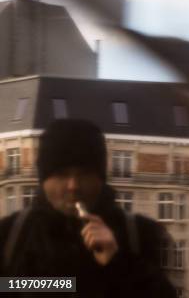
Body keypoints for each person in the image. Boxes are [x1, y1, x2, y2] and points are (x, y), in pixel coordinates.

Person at [0, 119, 177, 297]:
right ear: (43, 179)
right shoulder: (10, 234)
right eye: (61, 174)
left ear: (100, 178)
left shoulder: (140, 233)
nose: (73, 185)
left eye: (84, 174)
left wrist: (118, 262)